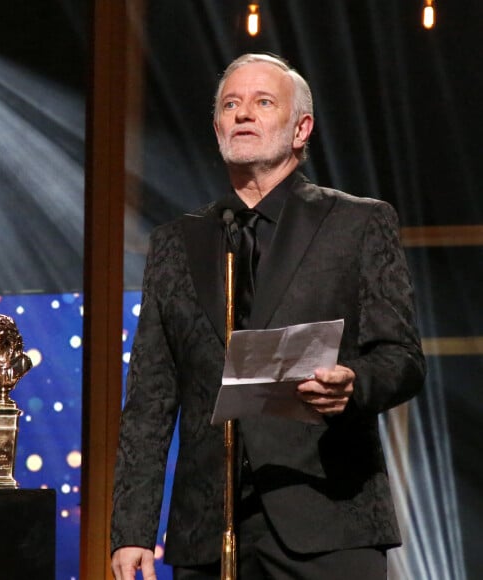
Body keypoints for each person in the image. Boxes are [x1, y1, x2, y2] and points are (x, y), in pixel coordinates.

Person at [111, 53, 425, 579]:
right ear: (216, 128)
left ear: (302, 128)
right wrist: (133, 529)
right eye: (230, 104)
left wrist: (354, 384)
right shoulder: (176, 244)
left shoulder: (357, 223)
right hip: (209, 529)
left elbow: (403, 358)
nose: (242, 114)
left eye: (262, 102)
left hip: (327, 519)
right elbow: (150, 398)